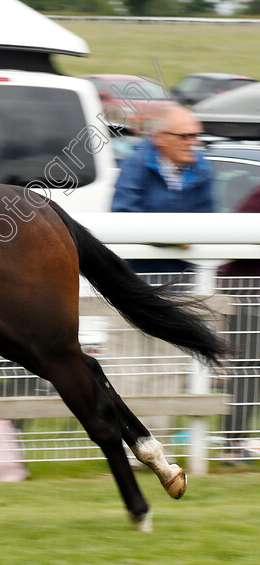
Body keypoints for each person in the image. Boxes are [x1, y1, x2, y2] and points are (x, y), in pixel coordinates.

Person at [110, 104, 214, 278]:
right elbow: (124, 216)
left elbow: (207, 216)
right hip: (138, 275)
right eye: (184, 136)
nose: (192, 143)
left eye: (195, 136)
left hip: (183, 276)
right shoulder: (135, 165)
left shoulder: (202, 168)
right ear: (161, 138)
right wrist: (173, 238)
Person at [218, 185, 260, 453]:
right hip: (247, 297)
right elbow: (237, 241)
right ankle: (233, 446)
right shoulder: (256, 198)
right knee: (246, 373)